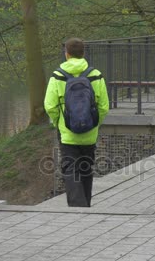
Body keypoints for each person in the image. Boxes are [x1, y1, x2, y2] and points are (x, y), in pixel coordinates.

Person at [44, 38, 109, 207]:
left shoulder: (57, 75)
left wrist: (58, 122)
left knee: (70, 168)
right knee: (86, 167)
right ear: (83, 53)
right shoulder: (95, 75)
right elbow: (104, 106)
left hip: (67, 132)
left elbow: (50, 105)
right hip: (90, 132)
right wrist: (95, 123)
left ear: (67, 53)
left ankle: (77, 205)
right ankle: (85, 203)